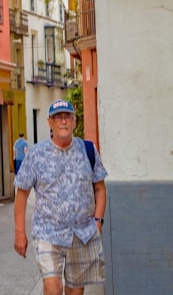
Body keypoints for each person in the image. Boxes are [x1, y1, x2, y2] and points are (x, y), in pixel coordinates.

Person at [13, 99, 107, 295]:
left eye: (67, 117)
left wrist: (98, 222)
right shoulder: (36, 154)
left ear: (74, 122)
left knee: (75, 291)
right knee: (53, 288)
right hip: (48, 233)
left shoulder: (88, 151)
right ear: (50, 122)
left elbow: (99, 188)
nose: (63, 121)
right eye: (58, 117)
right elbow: (21, 195)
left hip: (82, 234)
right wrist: (20, 232)